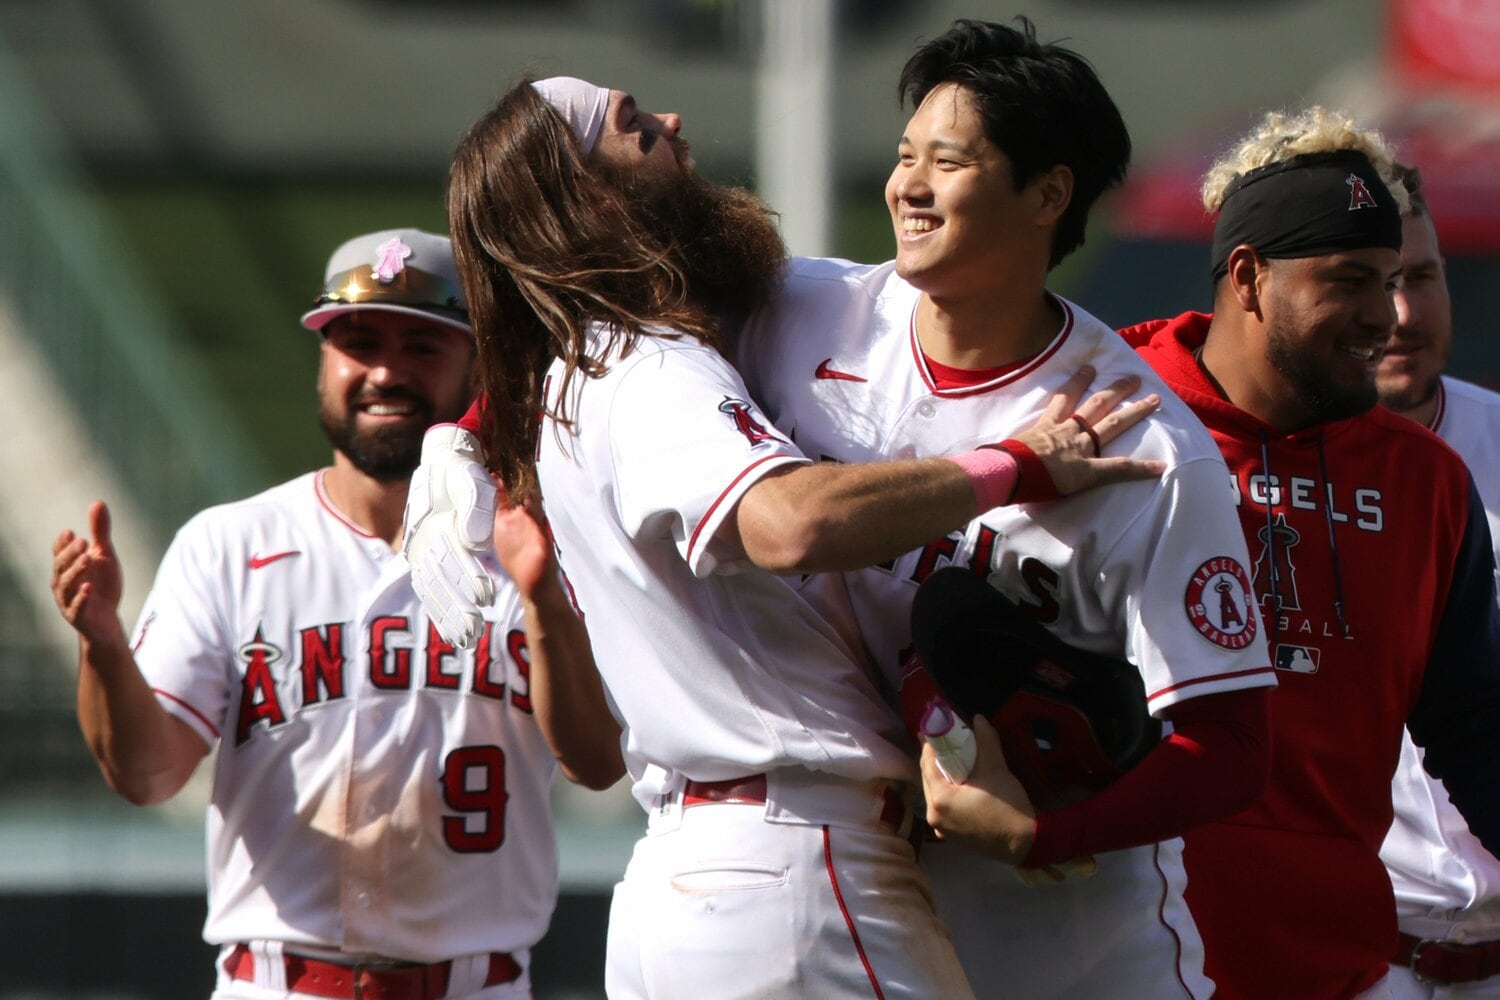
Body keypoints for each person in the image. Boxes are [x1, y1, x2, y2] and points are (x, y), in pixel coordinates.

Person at [436, 67, 1166, 999]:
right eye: (629, 125)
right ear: (587, 195)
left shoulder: (576, 373)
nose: (669, 119)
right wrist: (1015, 465)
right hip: (789, 869)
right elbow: (790, 522)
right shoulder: (650, 366)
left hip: (697, 876)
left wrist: (461, 429)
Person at [734, 18, 1276, 998]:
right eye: (906, 156)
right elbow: (630, 333)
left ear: (1047, 194)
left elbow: (1231, 747)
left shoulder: (1141, 443)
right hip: (864, 900)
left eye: (949, 161)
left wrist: (1046, 832)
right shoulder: (803, 313)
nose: (908, 185)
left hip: (1080, 939)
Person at [50, 229, 621, 1000]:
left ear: (476, 365)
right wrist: (105, 647)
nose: (386, 371)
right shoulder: (231, 545)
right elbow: (148, 773)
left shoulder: (536, 544)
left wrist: (545, 595)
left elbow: (598, 762)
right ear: (325, 362)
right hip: (278, 984)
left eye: (423, 345)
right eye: (359, 342)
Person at [1120, 109, 1500, 999]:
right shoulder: (1112, 415)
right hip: (1127, 948)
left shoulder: (1427, 481)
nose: (1388, 315)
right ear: (1249, 277)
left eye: (1407, 278)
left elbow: (1471, 724)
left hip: (1341, 966)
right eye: (1354, 281)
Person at [1375, 163, 1500, 996]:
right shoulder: (1228, 468)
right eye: (1373, 284)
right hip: (1345, 959)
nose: (1403, 315)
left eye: (1422, 278)